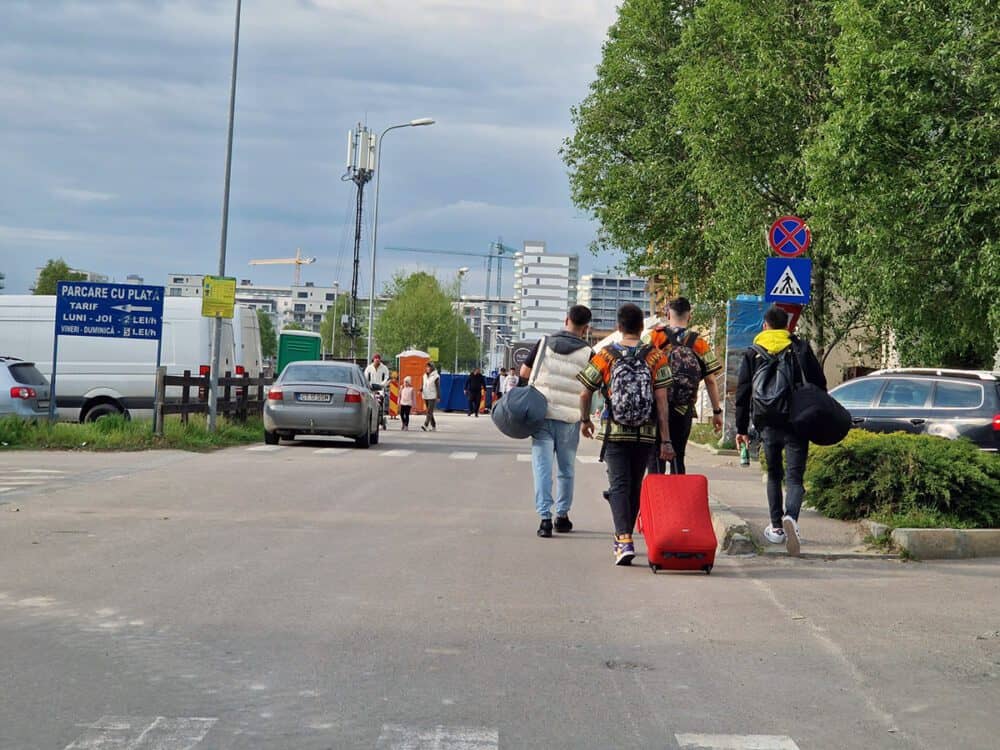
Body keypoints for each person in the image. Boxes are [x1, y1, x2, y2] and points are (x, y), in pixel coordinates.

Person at [578, 303, 675, 566]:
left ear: (619, 327)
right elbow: (662, 402)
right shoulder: (655, 357)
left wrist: (585, 420)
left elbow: (585, 391)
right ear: (642, 328)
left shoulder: (605, 355)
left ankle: (623, 540)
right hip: (645, 433)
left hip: (615, 431)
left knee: (619, 485)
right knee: (634, 486)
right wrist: (665, 440)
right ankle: (626, 537)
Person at [735, 305, 827, 556]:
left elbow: (743, 394)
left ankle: (776, 528)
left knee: (774, 475)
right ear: (788, 326)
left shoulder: (752, 353)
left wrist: (741, 429)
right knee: (795, 478)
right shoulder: (800, 348)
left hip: (767, 424)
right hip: (797, 422)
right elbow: (820, 384)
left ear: (764, 326)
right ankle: (792, 518)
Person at [518, 305, 594, 538]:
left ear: (566, 319)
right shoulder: (589, 353)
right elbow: (590, 388)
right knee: (566, 469)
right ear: (586, 328)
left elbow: (523, 372)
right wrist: (585, 419)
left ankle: (544, 519)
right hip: (570, 419)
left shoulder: (543, 343)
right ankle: (562, 516)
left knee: (541, 468)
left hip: (542, 414)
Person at [645, 296, 724, 474]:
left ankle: (656, 499)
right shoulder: (700, 342)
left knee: (655, 456)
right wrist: (717, 412)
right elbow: (711, 380)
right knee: (678, 456)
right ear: (690, 316)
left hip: (656, 407)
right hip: (683, 409)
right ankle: (677, 498)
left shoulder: (654, 337)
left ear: (667, 314)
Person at [421, 362, 440, 432]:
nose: (427, 368)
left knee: (429, 411)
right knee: (430, 412)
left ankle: (425, 425)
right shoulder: (424, 376)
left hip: (432, 396)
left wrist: (438, 397)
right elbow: (423, 384)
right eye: (426, 367)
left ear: (432, 368)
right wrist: (421, 389)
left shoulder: (436, 376)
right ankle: (434, 426)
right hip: (426, 395)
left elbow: (438, 387)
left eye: (429, 367)